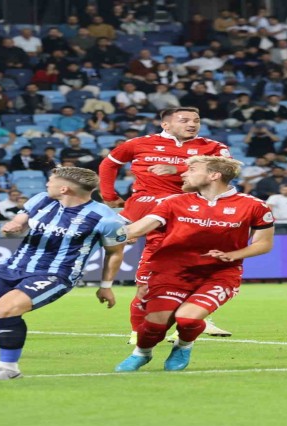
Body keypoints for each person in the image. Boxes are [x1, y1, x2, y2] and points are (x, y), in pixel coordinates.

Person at [0, 167, 126, 380]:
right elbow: (21, 220)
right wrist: (13, 226)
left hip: (55, 274)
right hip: (12, 266)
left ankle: (8, 369)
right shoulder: (41, 199)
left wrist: (106, 286)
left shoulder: (106, 218)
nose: (47, 184)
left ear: (64, 189)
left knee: (6, 309)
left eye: (51, 181)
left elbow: (115, 252)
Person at [114, 156, 275, 373]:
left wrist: (232, 255)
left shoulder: (254, 206)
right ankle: (142, 353)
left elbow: (264, 244)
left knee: (187, 319)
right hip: (172, 272)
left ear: (214, 175)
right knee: (154, 325)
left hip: (219, 274)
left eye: (191, 169)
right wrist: (106, 233)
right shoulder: (173, 202)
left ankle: (183, 346)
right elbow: (137, 228)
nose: (183, 173)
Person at [98, 106, 234, 345]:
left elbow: (227, 171)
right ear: (166, 124)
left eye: (196, 120)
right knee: (152, 275)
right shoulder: (139, 143)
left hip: (192, 210)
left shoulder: (212, 147)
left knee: (199, 269)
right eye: (184, 120)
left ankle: (193, 318)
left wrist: (177, 169)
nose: (192, 124)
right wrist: (109, 195)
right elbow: (108, 164)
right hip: (150, 204)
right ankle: (141, 329)